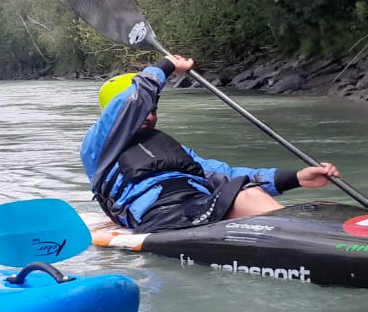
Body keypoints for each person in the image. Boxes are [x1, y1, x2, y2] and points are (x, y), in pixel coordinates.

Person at [81, 54, 341, 233]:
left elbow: (226, 174)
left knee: (250, 192)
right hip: (159, 215)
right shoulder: (97, 148)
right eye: (142, 111)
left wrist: (295, 178)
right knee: (249, 197)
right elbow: (130, 104)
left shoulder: (168, 147)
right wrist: (166, 65)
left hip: (198, 204)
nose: (149, 116)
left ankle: (315, 237)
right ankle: (312, 242)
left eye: (154, 109)